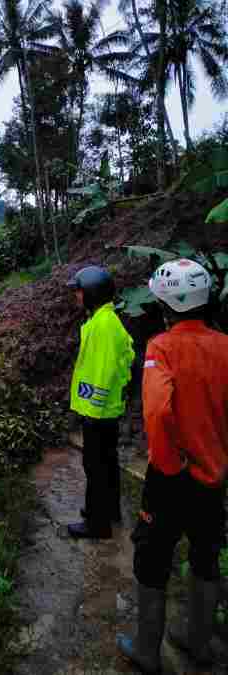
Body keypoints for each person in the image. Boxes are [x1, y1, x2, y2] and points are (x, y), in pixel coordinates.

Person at [118, 259, 227, 673]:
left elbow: (159, 412)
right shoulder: (225, 346)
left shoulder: (161, 348)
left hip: (172, 477)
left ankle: (148, 650)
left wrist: (169, 466)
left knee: (152, 557)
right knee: (205, 555)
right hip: (214, 477)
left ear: (165, 303)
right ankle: (198, 642)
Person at [64, 265, 135, 539]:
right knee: (106, 463)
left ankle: (98, 523)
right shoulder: (103, 320)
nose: (76, 297)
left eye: (79, 292)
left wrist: (92, 411)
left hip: (100, 412)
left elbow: (104, 372)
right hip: (103, 410)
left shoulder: (104, 325)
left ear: (92, 293)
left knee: (95, 467)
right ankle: (108, 510)